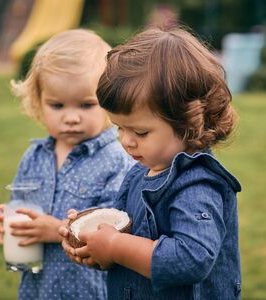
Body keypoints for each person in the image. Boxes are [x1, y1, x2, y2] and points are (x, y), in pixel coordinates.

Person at [60, 26, 242, 299]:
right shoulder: (140, 173)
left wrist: (115, 245)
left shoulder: (197, 183)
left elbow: (193, 258)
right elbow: (131, 240)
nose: (126, 141)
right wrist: (97, 244)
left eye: (140, 132)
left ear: (188, 122)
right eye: (119, 128)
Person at [0, 29, 134, 300]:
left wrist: (57, 229)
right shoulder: (35, 156)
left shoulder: (117, 158)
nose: (71, 117)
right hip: (37, 288)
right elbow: (20, 204)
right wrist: (5, 222)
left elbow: (121, 227)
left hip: (88, 289)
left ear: (109, 102)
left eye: (86, 105)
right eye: (57, 105)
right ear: (38, 102)